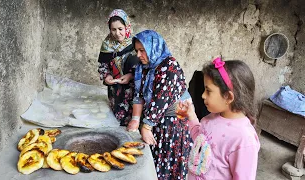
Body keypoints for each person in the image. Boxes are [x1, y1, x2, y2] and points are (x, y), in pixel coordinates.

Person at [177, 57, 260, 180]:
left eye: (208, 91)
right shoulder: (210, 119)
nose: (203, 95)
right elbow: (201, 142)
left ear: (228, 97)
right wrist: (191, 116)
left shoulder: (243, 138)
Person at [127, 30, 192, 180]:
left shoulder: (170, 66)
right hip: (156, 120)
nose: (138, 55)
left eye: (142, 50)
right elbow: (138, 94)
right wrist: (136, 119)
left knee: (168, 165)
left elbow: (161, 99)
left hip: (173, 124)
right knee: (155, 165)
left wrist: (147, 126)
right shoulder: (142, 66)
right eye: (137, 50)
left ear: (153, 47)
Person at [98, 9, 139, 126]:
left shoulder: (135, 43)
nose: (117, 33)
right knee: (117, 120)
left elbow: (143, 66)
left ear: (127, 27)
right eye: (113, 29)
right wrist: (107, 76)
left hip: (133, 89)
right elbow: (103, 65)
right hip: (115, 90)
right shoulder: (106, 44)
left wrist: (131, 75)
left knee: (133, 121)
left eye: (120, 29)